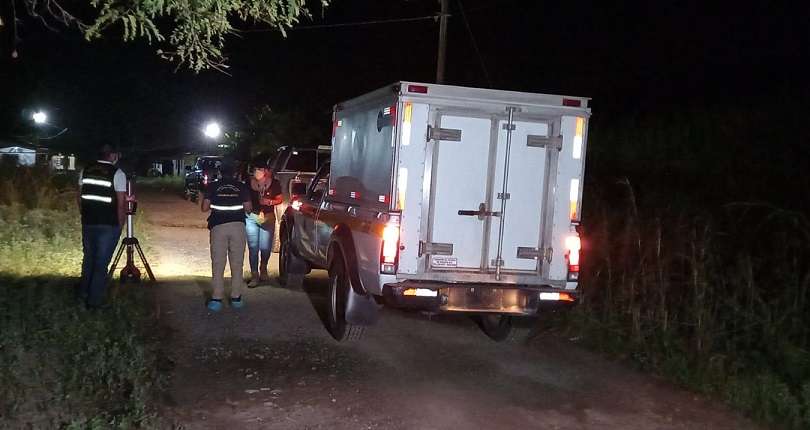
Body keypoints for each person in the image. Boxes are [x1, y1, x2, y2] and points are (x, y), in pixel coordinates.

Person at [77, 145, 127, 309]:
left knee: (88, 260)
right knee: (101, 263)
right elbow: (121, 204)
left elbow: (79, 196)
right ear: (112, 155)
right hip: (108, 224)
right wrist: (120, 224)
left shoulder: (86, 170)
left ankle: (83, 294)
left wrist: (84, 215)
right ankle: (94, 302)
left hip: (88, 222)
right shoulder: (117, 174)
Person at [201, 160, 252, 311]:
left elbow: (204, 208)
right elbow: (248, 208)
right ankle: (236, 298)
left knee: (218, 262)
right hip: (238, 226)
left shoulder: (213, 186)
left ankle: (216, 298)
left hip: (218, 226)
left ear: (220, 172)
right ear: (235, 173)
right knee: (237, 263)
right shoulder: (242, 187)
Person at [245, 158, 282, 287]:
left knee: (265, 248)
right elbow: (245, 198)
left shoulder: (274, 183)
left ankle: (263, 266)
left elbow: (279, 199)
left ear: (266, 171)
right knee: (253, 247)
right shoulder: (249, 183)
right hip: (252, 217)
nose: (257, 172)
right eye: (255, 169)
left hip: (268, 217)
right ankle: (254, 275)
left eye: (259, 169)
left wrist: (269, 202)